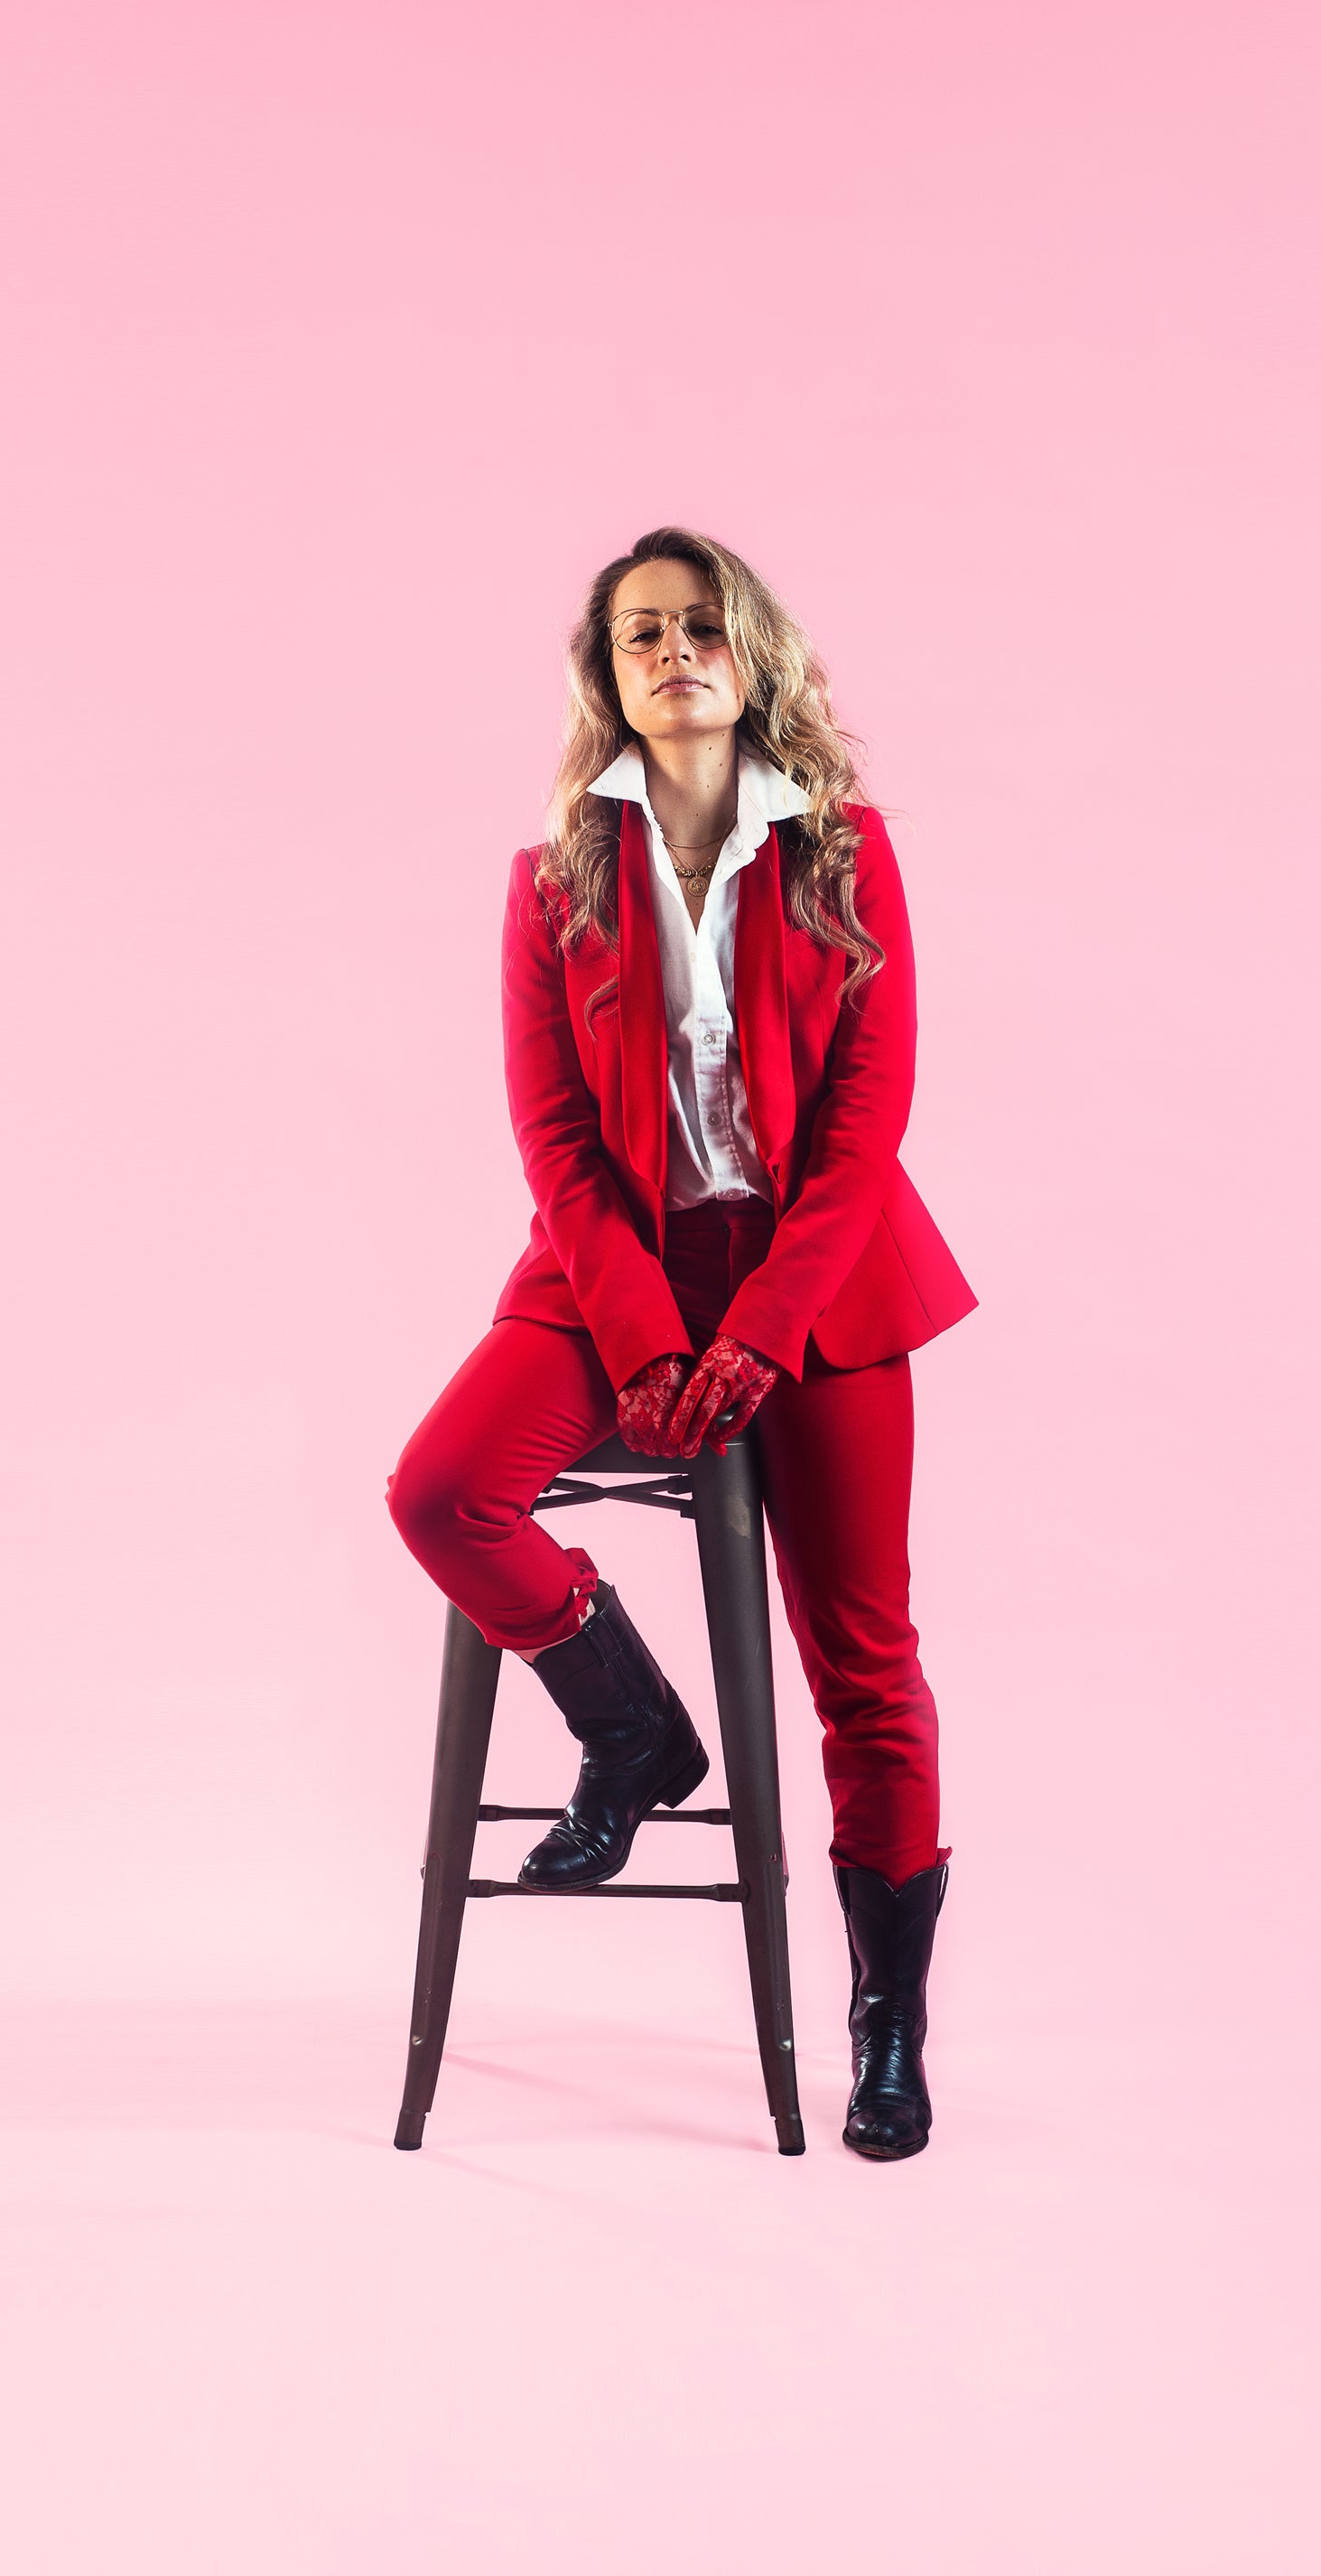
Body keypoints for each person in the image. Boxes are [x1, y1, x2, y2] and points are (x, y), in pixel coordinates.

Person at [386, 527, 975, 2161]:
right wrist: (646, 1335)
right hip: (614, 1276)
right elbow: (554, 1138)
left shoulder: (846, 853)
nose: (674, 650)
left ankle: (885, 2020)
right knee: (443, 1493)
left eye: (703, 624)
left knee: (867, 1657)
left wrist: (764, 1331)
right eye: (642, 632)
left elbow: (865, 1130)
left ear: (754, 653)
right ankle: (633, 1727)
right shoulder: (553, 876)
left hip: (824, 1282)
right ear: (610, 672)